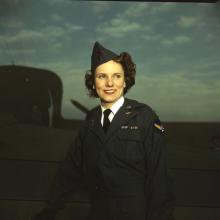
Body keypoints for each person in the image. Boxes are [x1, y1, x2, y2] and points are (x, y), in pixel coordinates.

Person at [33, 42, 175, 220]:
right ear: (93, 83)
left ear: (125, 81)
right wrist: (51, 209)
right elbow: (70, 169)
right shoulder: (91, 121)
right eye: (102, 76)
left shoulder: (144, 117)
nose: (109, 83)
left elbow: (160, 179)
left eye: (116, 76)